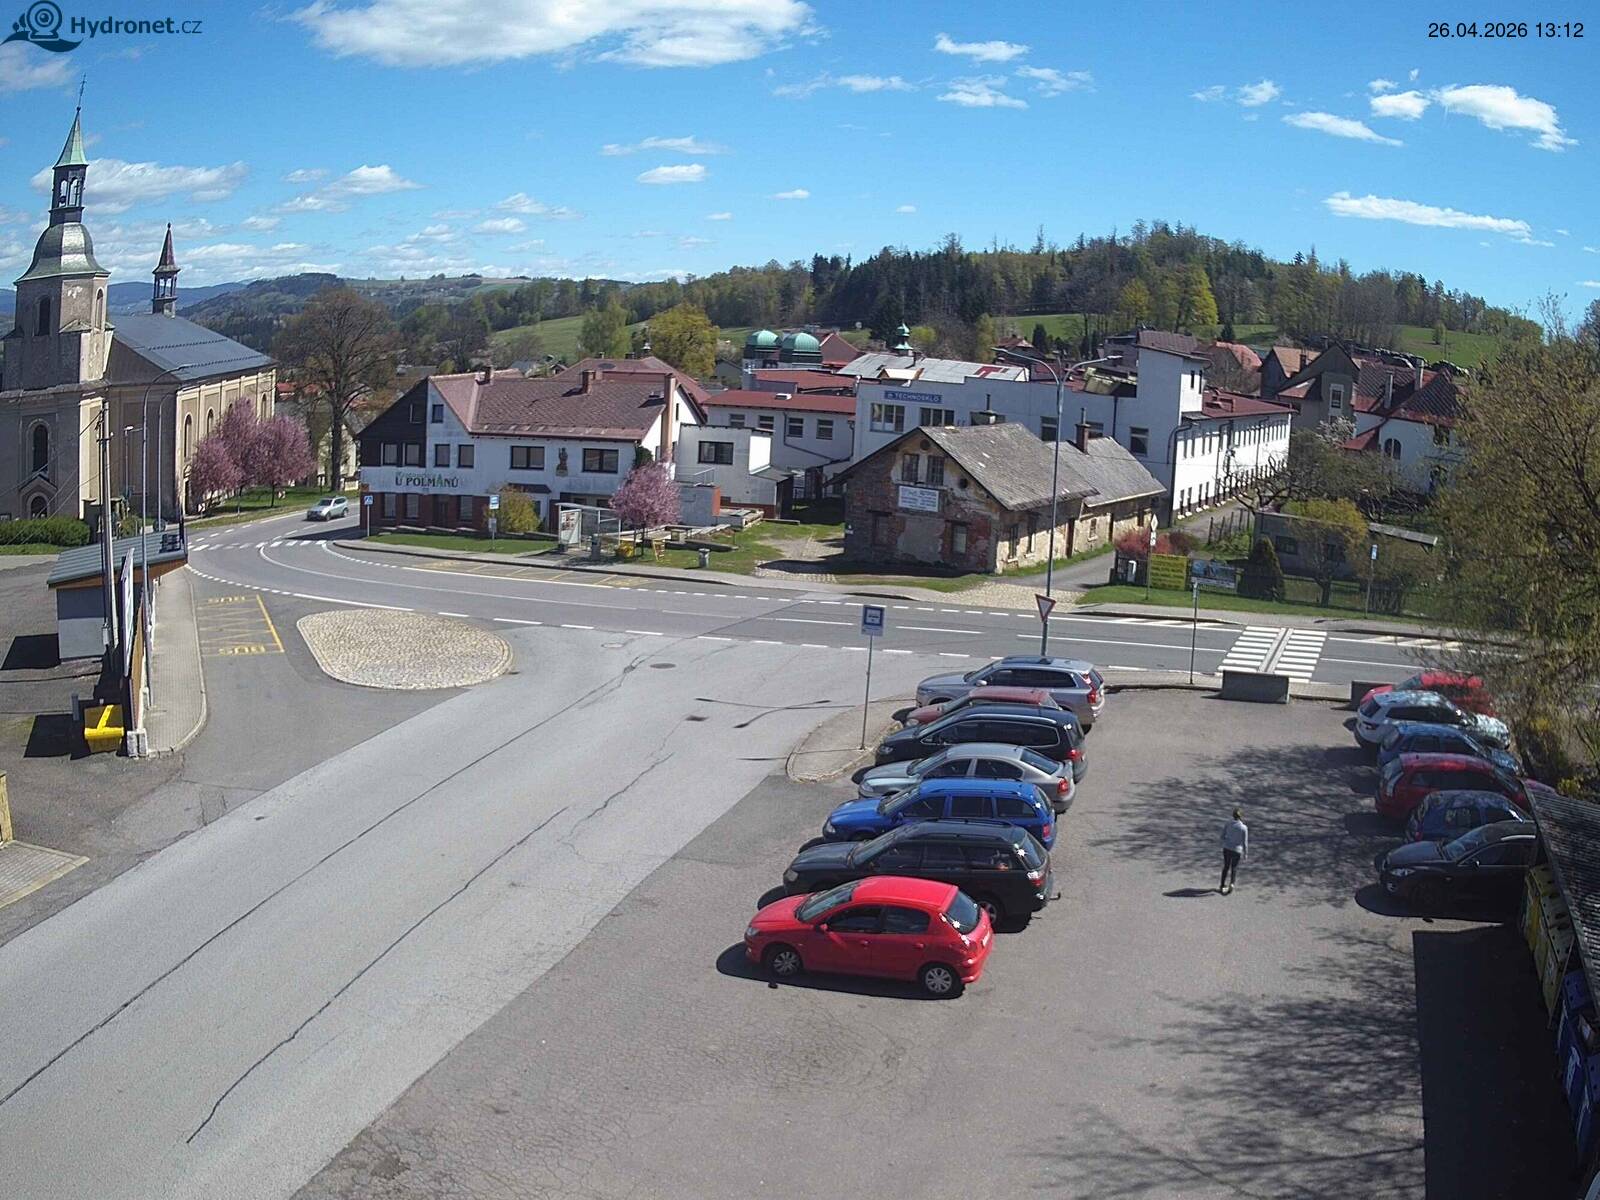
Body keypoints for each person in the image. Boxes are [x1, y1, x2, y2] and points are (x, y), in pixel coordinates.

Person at [1220, 808, 1248, 894]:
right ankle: (1232, 883)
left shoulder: (1228, 823)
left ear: (1233, 815)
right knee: (1234, 867)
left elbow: (1222, 836)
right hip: (1237, 850)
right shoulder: (1244, 828)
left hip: (1227, 848)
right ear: (1241, 816)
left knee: (1226, 866)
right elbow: (1245, 842)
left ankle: (1222, 885)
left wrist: (1227, 840)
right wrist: (1245, 853)